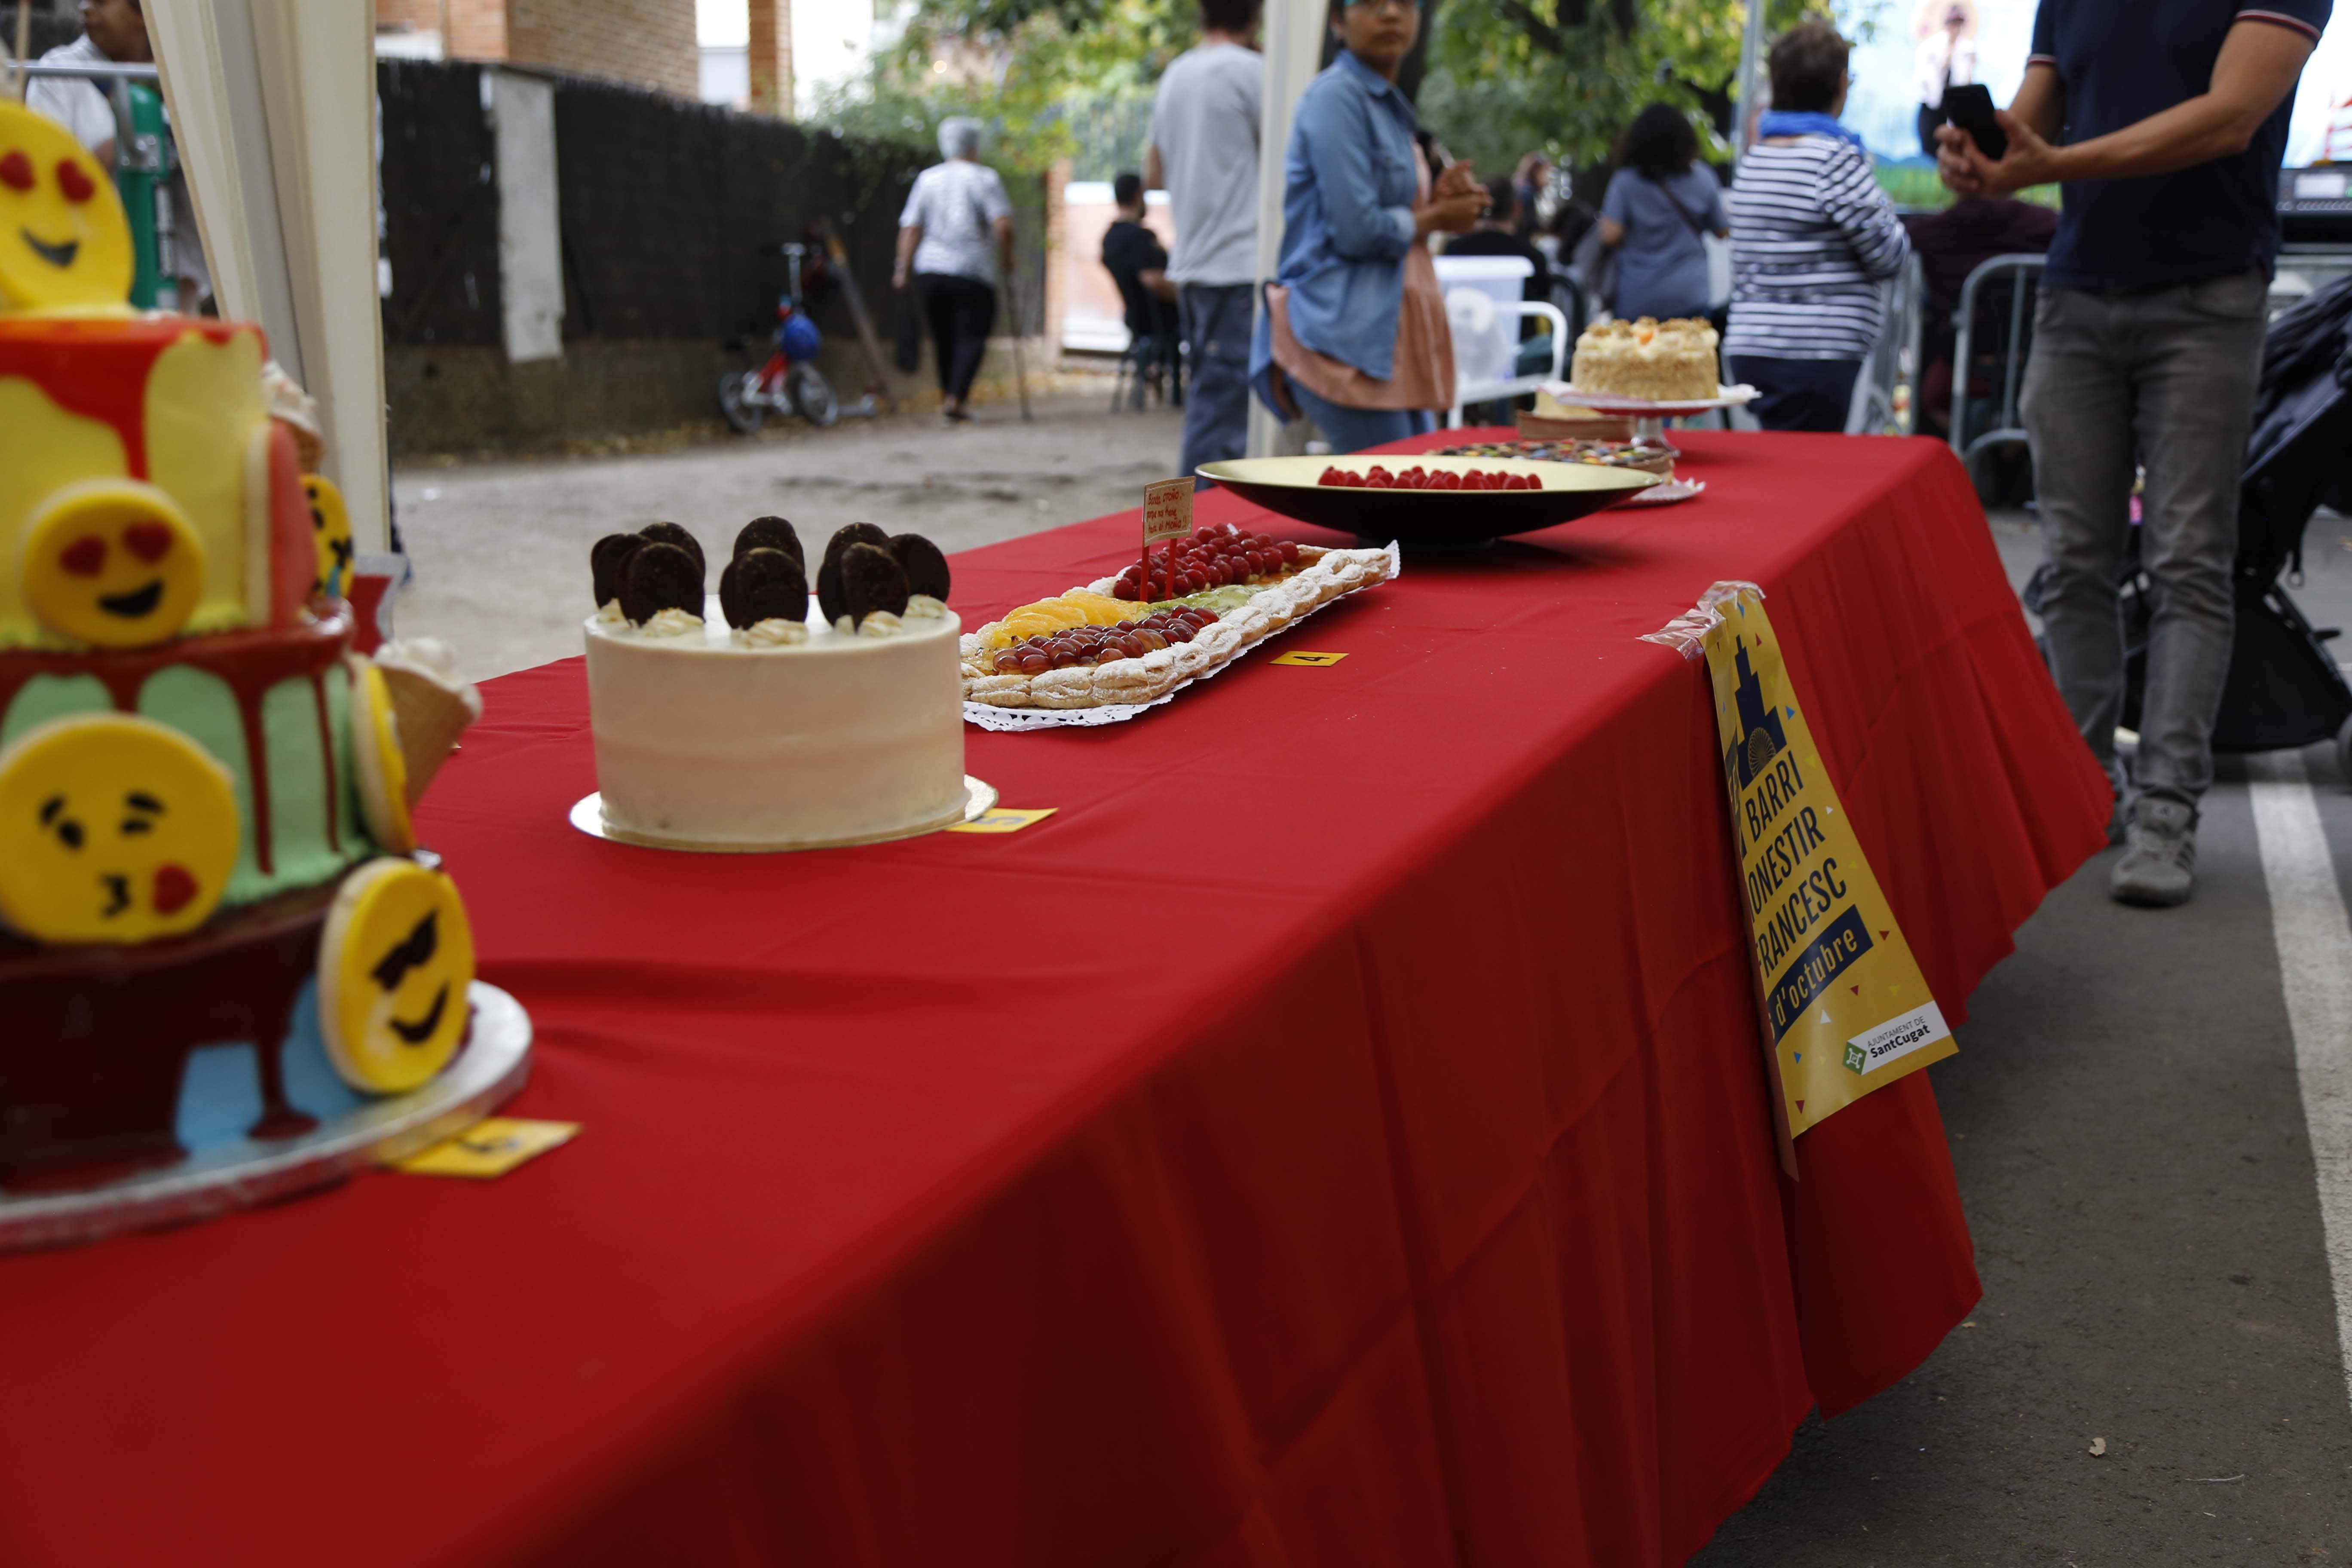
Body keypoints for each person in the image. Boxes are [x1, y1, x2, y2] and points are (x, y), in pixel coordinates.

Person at [1937, 0, 2329, 906]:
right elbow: (2027, 125)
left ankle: (2166, 812)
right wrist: (1979, 155)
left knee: (2188, 562)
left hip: (2209, 299)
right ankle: (2085, 793)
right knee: (2075, 562)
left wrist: (2055, 164)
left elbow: (2232, 117)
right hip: (2078, 296)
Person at [1249, 0, 1485, 453]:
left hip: (1386, 336)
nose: (1392, 14)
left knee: (1416, 494)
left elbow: (1386, 211)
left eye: (1405, 5)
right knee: (1398, 502)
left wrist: (1439, 199)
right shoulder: (1336, 98)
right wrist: (1437, 218)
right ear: (1337, 20)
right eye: (1373, 3)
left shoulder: (1387, 105)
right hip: (1343, 337)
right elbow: (1357, 230)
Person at [1723, 21, 1913, 432]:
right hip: (1819, 350)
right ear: (1842, 85)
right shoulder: (1835, 160)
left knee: (1781, 462)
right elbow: (1889, 255)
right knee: (1807, 471)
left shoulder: (1756, 160)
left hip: (1753, 345)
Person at [1147, 0, 1263, 476]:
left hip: (1194, 262)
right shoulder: (1253, 71)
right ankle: (1201, 535)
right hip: (1237, 262)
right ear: (1255, 16)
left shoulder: (1176, 73)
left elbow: (1153, 171)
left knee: (1212, 399)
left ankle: (1200, 531)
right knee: (1223, 415)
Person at [1901, 193, 2056, 435]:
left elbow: (1901, 240)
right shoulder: (2045, 225)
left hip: (1964, 363)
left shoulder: (1935, 231)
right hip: (2035, 358)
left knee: (1933, 396)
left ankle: (1968, 451)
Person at [894, 117, 1016, 424]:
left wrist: (901, 270)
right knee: (972, 336)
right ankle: (955, 398)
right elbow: (1003, 225)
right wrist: (1008, 259)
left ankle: (950, 396)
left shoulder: (927, 180)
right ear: (974, 145)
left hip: (930, 271)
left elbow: (910, 229)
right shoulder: (985, 178)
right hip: (972, 271)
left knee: (944, 336)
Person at [1597, 104, 1727, 326]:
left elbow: (1610, 235)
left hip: (1638, 296)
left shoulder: (1625, 182)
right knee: (1687, 358)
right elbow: (1722, 231)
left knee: (1638, 360)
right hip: (1690, 294)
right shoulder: (1703, 178)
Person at [28, 0, 147, 167]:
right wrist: (98, 164)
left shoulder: (183, 76)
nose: (85, 8)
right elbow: (43, 166)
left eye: (101, 2)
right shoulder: (59, 70)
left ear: (144, 13)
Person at [1100, 171, 1181, 402]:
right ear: (1138, 196)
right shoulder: (1141, 238)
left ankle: (1153, 369)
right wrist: (1184, 298)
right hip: (1159, 319)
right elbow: (1153, 280)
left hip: (1133, 317)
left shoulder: (1109, 238)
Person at [1914, 0, 1979, 156]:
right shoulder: (1930, 47)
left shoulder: (1967, 49)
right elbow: (1923, 78)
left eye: (1959, 23)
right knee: (1930, 145)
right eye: (1953, 22)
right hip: (1932, 104)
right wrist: (1945, 60)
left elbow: (1967, 80)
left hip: (1956, 105)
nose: (1956, 27)